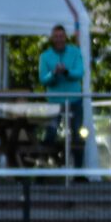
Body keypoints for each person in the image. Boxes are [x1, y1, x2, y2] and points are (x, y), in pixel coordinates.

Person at [38, 24, 84, 166]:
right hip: (54, 102)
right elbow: (43, 79)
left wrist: (66, 72)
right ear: (52, 38)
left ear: (66, 37)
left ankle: (78, 172)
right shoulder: (45, 56)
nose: (59, 39)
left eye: (61, 36)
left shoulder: (75, 52)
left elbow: (79, 72)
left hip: (74, 101)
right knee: (50, 133)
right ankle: (43, 171)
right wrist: (54, 73)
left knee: (78, 135)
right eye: (56, 36)